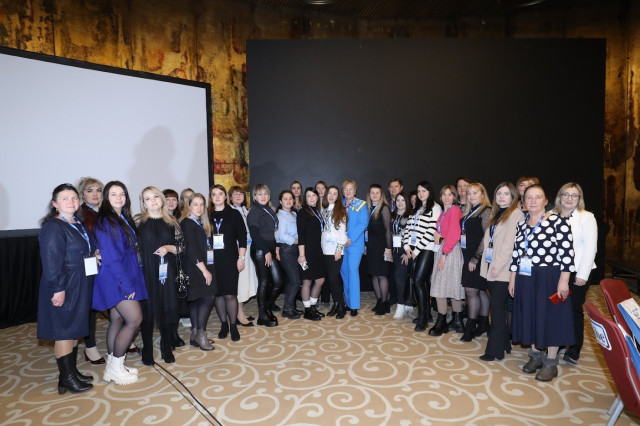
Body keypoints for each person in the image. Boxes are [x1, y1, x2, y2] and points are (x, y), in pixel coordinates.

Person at [509, 184, 575, 382]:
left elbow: (567, 255)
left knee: (551, 317)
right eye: (529, 198)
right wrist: (512, 279)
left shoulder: (558, 222)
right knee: (530, 314)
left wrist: (564, 281)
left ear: (546, 201)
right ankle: (535, 355)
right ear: (523, 202)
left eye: (538, 197)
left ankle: (551, 362)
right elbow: (516, 254)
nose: (533, 201)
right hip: (525, 276)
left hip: (550, 277)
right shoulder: (522, 225)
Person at [38, 183, 96, 394]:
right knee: (64, 331)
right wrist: (58, 288)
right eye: (65, 198)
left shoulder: (77, 223)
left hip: (80, 282)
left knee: (74, 330)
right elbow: (51, 261)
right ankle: (68, 378)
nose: (71, 201)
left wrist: (94, 255)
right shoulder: (54, 226)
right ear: (55, 204)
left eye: (74, 198)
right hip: (65, 284)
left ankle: (69, 374)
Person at [93, 181, 147, 385]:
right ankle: (116, 367)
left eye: (122, 194)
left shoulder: (120, 218)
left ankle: (113, 366)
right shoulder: (107, 221)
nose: (119, 197)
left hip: (122, 275)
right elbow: (112, 257)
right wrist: (126, 284)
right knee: (134, 319)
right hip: (116, 278)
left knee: (116, 319)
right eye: (113, 194)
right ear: (106, 198)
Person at [136, 186, 184, 365]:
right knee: (147, 311)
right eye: (148, 198)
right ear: (143, 203)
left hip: (166, 271)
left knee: (167, 309)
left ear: (162, 199)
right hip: (145, 271)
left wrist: (168, 248)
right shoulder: (138, 221)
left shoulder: (172, 221)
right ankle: (147, 348)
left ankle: (166, 346)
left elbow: (181, 248)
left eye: (156, 196)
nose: (153, 201)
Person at [553, 183, 598, 365]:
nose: (569, 198)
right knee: (557, 308)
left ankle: (574, 347)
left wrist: (582, 274)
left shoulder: (586, 217)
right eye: (566, 194)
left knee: (573, 309)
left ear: (580, 199)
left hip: (578, 271)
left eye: (574, 195)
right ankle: (559, 343)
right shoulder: (551, 215)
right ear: (560, 197)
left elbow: (590, 248)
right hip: (556, 271)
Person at [478, 183, 524, 361]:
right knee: (498, 308)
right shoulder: (496, 214)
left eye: (506, 193)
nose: (502, 197)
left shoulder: (516, 214)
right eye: (499, 193)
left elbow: (509, 245)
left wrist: (497, 265)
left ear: (513, 196)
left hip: (502, 269)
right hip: (491, 267)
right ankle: (504, 343)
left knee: (496, 308)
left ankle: (494, 351)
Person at [208, 185, 247, 342]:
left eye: (220, 194)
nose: (217, 197)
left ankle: (233, 325)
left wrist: (241, 257)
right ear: (211, 198)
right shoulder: (207, 215)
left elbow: (242, 238)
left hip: (230, 259)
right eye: (214, 194)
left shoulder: (234, 214)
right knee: (218, 294)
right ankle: (224, 324)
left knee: (230, 294)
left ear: (225, 196)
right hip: (212, 260)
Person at [179, 193, 217, 350]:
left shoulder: (201, 222)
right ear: (188, 206)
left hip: (201, 265)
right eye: (195, 204)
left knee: (196, 300)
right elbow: (192, 249)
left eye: (202, 204)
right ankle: (201, 334)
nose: (199, 207)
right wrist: (204, 270)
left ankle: (195, 335)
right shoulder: (187, 223)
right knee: (208, 297)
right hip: (196, 267)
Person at [402, 181, 441, 331]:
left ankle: (423, 317)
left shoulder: (435, 207)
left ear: (430, 192)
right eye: (419, 191)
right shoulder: (416, 208)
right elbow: (407, 229)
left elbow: (431, 231)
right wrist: (406, 247)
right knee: (422, 282)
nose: (421, 194)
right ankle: (426, 313)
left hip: (426, 248)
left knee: (418, 280)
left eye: (424, 191)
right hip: (413, 249)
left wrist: (416, 250)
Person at [428, 185, 464, 336]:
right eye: (444, 194)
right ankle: (457, 321)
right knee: (451, 286)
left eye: (450, 194)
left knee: (440, 286)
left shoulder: (454, 210)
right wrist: (438, 234)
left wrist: (444, 254)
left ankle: (442, 320)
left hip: (449, 251)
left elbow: (455, 234)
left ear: (454, 196)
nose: (447, 197)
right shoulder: (445, 212)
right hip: (445, 249)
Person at [247, 184, 285, 327]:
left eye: (265, 194)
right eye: (259, 194)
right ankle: (262, 316)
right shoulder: (254, 211)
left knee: (278, 281)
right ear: (254, 197)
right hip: (260, 250)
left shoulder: (269, 209)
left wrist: (276, 247)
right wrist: (266, 251)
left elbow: (273, 232)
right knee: (264, 282)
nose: (263, 197)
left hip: (270, 249)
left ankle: (267, 308)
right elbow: (254, 234)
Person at [77, 176, 105, 365]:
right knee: (90, 307)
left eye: (98, 190)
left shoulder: (106, 212)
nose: (95, 194)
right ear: (82, 194)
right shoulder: (79, 213)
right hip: (90, 264)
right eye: (90, 190)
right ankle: (90, 347)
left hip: (109, 263)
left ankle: (124, 338)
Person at [459, 183, 492, 342]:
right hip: (468, 256)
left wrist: (475, 258)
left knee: (471, 291)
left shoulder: (487, 211)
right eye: (469, 193)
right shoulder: (469, 212)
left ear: (483, 194)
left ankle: (470, 327)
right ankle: (484, 323)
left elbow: (487, 237)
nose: (471, 196)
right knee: (480, 290)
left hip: (478, 257)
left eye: (475, 193)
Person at [229, 186, 258, 326]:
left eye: (240, 193)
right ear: (230, 197)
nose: (238, 196)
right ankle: (238, 314)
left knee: (245, 281)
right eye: (235, 194)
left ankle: (239, 311)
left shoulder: (246, 210)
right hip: (238, 250)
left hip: (248, 249)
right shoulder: (230, 211)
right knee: (240, 282)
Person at [340, 180, 369, 316]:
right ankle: (348, 302)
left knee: (352, 271)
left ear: (355, 191)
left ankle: (354, 305)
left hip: (355, 244)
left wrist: (350, 238)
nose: (348, 191)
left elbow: (363, 223)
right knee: (344, 272)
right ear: (342, 191)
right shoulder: (339, 204)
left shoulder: (361, 204)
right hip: (341, 244)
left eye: (351, 189)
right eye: (345, 189)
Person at [297, 187, 327, 320]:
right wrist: (301, 255)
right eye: (308, 196)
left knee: (320, 280)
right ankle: (307, 310)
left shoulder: (317, 211)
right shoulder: (303, 212)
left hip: (318, 251)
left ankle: (313, 306)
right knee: (307, 281)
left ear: (317, 197)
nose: (311, 198)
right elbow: (301, 236)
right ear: (305, 198)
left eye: (313, 195)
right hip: (307, 252)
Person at [321, 185, 349, 319]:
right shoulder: (323, 210)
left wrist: (338, 250)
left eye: (335, 194)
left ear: (338, 197)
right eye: (330, 193)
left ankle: (341, 306)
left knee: (333, 278)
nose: (331, 196)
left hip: (336, 250)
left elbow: (342, 234)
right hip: (325, 249)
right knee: (331, 279)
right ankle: (336, 304)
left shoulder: (340, 211)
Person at [366, 184, 392, 316]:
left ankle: (385, 303)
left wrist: (388, 248)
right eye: (372, 193)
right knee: (374, 274)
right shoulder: (369, 208)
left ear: (381, 195)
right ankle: (379, 300)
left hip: (382, 247)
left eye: (377, 193)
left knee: (382, 275)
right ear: (369, 194)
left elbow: (388, 230)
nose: (375, 195)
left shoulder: (384, 208)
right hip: (371, 247)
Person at [275, 190, 302, 320]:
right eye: (285, 199)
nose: (288, 201)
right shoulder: (280, 216)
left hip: (294, 250)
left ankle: (291, 307)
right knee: (295, 280)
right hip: (286, 250)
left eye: (290, 198)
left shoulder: (294, 214)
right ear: (280, 201)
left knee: (293, 280)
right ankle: (287, 309)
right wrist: (298, 241)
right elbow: (282, 235)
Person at [390, 192, 412, 320]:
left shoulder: (411, 216)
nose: (400, 203)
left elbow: (413, 236)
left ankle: (401, 305)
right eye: (398, 200)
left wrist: (408, 253)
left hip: (405, 253)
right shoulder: (392, 215)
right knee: (398, 278)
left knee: (400, 278)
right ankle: (407, 302)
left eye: (403, 200)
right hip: (394, 251)